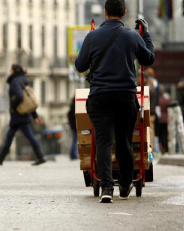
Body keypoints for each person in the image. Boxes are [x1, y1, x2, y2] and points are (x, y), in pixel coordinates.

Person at [74, 0, 154, 203]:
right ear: (124, 13)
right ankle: (125, 185)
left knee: (103, 141)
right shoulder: (131, 36)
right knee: (124, 141)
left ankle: (107, 188)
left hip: (100, 97)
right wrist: (146, 34)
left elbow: (80, 65)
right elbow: (148, 59)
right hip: (125, 96)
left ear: (105, 12)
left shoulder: (92, 37)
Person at [0, 64, 46, 166]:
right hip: (22, 114)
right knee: (10, 135)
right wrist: (35, 116)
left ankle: (40, 157)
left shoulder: (15, 81)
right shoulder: (22, 80)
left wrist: (13, 108)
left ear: (14, 70)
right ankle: (0, 158)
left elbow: (20, 96)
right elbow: (28, 101)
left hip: (18, 115)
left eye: (11, 69)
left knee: (23, 136)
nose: (10, 71)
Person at [144, 67, 161, 156]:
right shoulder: (154, 84)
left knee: (150, 130)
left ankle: (151, 148)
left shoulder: (149, 85)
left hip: (150, 110)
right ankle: (152, 148)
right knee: (151, 130)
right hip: (153, 110)